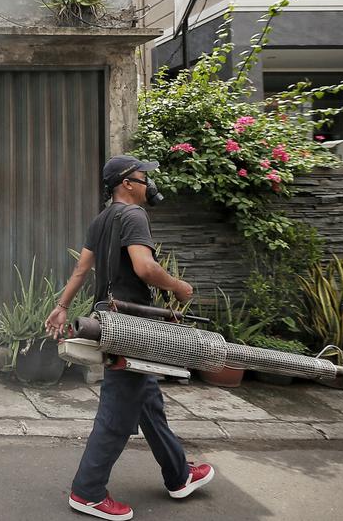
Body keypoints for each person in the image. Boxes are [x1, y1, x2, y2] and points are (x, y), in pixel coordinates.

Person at [44, 155, 215, 521]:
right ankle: (87, 492)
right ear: (127, 183)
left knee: (148, 401)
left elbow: (81, 269)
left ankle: (179, 475)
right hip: (131, 324)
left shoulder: (101, 219)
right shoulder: (134, 215)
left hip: (109, 318)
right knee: (119, 410)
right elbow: (145, 268)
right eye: (142, 177)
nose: (148, 183)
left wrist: (61, 306)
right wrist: (178, 286)